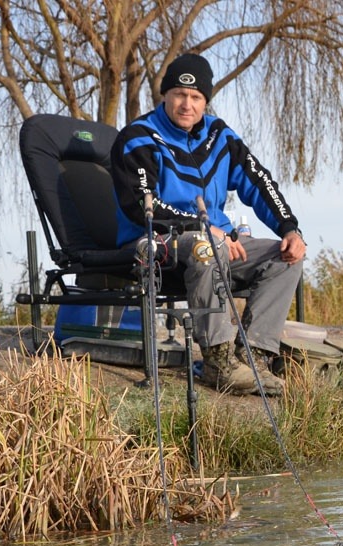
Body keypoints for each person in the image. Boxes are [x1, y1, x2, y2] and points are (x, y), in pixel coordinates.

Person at [110, 53, 306, 396]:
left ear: (205, 101)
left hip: (218, 240)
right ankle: (218, 361)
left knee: (286, 257)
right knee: (207, 246)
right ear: (165, 95)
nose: (187, 104)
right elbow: (142, 205)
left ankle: (254, 356)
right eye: (179, 95)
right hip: (153, 242)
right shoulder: (138, 136)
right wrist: (198, 228)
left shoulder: (220, 136)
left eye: (196, 97)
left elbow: (260, 184)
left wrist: (290, 229)